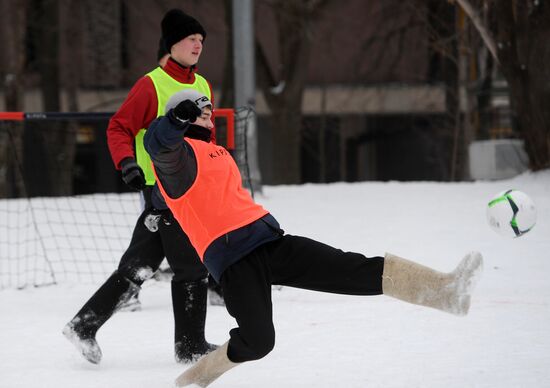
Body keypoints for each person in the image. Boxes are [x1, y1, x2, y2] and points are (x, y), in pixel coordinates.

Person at [143, 89, 484, 387]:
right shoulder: (178, 156)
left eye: (207, 112)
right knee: (259, 341)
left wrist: (160, 202)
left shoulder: (213, 151)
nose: (208, 117)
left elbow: (174, 194)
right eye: (199, 113)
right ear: (184, 118)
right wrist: (174, 120)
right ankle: (198, 377)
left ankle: (447, 292)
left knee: (352, 267)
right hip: (234, 259)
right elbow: (158, 145)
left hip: (269, 240)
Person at [62, 9, 221, 365]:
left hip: (189, 187)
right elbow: (119, 127)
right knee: (191, 266)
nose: (198, 45)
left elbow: (207, 137)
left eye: (201, 40)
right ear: (172, 44)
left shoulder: (203, 85)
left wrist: (212, 173)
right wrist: (127, 163)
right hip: (162, 189)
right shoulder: (151, 84)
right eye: (191, 39)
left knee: (140, 265)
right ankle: (191, 347)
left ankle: (84, 325)